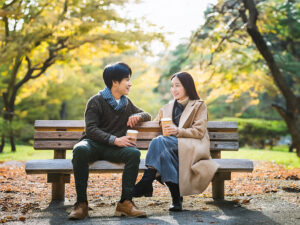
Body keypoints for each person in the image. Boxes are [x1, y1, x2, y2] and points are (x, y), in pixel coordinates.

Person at [68, 62, 151, 219]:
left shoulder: (126, 103)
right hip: (93, 144)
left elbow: (147, 115)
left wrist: (138, 116)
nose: (130, 83)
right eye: (127, 79)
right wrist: (114, 140)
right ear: (115, 82)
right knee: (79, 149)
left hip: (113, 149)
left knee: (133, 153)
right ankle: (81, 204)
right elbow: (91, 129)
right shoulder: (96, 101)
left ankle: (125, 203)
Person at [133, 72, 219, 211]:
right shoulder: (166, 108)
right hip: (170, 149)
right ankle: (176, 199)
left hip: (191, 147)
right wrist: (139, 117)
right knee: (164, 152)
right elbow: (153, 125)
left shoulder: (198, 105)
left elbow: (199, 132)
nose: (174, 89)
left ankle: (147, 180)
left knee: (160, 141)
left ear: (187, 86)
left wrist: (178, 131)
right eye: (172, 86)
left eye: (177, 86)